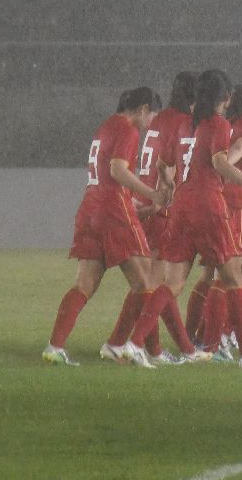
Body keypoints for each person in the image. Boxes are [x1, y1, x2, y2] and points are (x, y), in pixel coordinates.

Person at [42, 87, 170, 367]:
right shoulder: (128, 130)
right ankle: (145, 350)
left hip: (91, 209)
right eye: (152, 116)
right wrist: (151, 194)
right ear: (143, 109)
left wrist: (133, 200)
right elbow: (117, 170)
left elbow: (104, 176)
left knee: (84, 284)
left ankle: (55, 346)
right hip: (113, 212)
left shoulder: (105, 127)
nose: (150, 123)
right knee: (146, 282)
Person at [164, 69, 242, 370]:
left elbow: (171, 165)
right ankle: (225, 346)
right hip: (219, 203)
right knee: (229, 277)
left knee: (178, 282)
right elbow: (225, 158)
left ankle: (149, 342)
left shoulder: (191, 123)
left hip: (184, 203)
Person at [101, 71, 208, 364]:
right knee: (156, 285)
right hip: (162, 206)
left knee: (151, 284)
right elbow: (172, 165)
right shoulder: (184, 122)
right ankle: (136, 345)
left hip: (148, 202)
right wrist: (163, 201)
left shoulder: (160, 120)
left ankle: (147, 347)